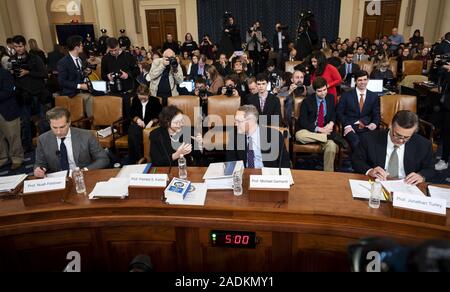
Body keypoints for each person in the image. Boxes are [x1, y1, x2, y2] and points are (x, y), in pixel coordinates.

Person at [352, 110, 435, 185]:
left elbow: (430, 169)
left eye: (406, 137)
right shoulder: (369, 139)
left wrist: (421, 176)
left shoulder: (423, 145)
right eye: (397, 135)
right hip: (377, 183)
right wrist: (370, 171)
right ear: (390, 125)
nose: (401, 140)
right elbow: (357, 161)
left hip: (407, 186)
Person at [33, 107, 109, 178]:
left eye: (62, 127)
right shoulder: (43, 139)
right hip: (57, 180)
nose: (58, 132)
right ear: (50, 124)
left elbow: (103, 159)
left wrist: (84, 171)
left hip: (83, 177)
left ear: (69, 122)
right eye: (54, 128)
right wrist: (38, 170)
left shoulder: (86, 136)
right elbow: (40, 163)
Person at [295, 77, 341, 172]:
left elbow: (334, 114)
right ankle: (328, 138)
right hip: (312, 131)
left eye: (325, 89)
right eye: (320, 91)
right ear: (315, 91)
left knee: (331, 146)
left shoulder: (331, 98)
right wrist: (319, 130)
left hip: (326, 130)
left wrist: (332, 123)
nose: (323, 93)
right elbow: (302, 121)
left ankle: (328, 175)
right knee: (299, 135)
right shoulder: (307, 101)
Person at [11, 35, 49, 150]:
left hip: (38, 93)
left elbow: (44, 74)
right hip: (23, 95)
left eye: (20, 46)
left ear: (25, 45)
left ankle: (45, 144)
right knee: (25, 122)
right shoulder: (11, 60)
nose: (18, 49)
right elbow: (12, 79)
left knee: (43, 120)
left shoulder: (35, 58)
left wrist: (28, 72)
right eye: (16, 47)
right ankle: (27, 146)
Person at [226, 105, 290, 169]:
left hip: (267, 175)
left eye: (239, 121)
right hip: (244, 174)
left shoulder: (274, 136)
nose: (235, 124)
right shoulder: (234, 135)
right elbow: (231, 162)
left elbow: (285, 163)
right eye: (235, 120)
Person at [337, 70, 380, 150]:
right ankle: (359, 162)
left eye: (365, 79)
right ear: (355, 81)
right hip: (350, 126)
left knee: (370, 143)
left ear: (368, 80)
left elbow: (376, 114)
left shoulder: (374, 96)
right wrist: (347, 125)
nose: (363, 82)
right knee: (356, 142)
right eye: (360, 80)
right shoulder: (346, 95)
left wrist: (374, 123)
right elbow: (339, 113)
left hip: (367, 126)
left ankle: (366, 162)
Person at [101, 37, 140, 126]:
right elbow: (103, 75)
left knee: (131, 117)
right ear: (108, 48)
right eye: (111, 51)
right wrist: (107, 77)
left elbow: (137, 71)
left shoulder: (128, 56)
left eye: (115, 50)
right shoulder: (105, 58)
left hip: (129, 92)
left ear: (119, 46)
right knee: (116, 118)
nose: (114, 52)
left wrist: (127, 75)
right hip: (114, 93)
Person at [57, 35, 94, 117]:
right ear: (76, 47)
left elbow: (79, 75)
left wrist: (86, 72)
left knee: (102, 93)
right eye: (81, 45)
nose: (82, 46)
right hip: (71, 93)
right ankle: (94, 123)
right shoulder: (63, 62)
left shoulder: (80, 59)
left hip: (83, 90)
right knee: (91, 99)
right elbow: (61, 81)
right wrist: (80, 86)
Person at [127, 85, 162, 164]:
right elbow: (131, 114)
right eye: (140, 97)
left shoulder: (155, 100)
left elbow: (160, 114)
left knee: (136, 134)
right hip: (139, 126)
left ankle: (140, 158)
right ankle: (139, 158)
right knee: (133, 130)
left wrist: (152, 121)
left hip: (152, 127)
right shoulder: (135, 100)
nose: (142, 99)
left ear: (148, 94)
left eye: (144, 97)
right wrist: (137, 119)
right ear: (137, 95)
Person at [0, 67, 23, 170]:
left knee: (13, 136)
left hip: (7, 109)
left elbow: (10, 90)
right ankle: (2, 158)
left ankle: (17, 159)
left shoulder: (4, 73)